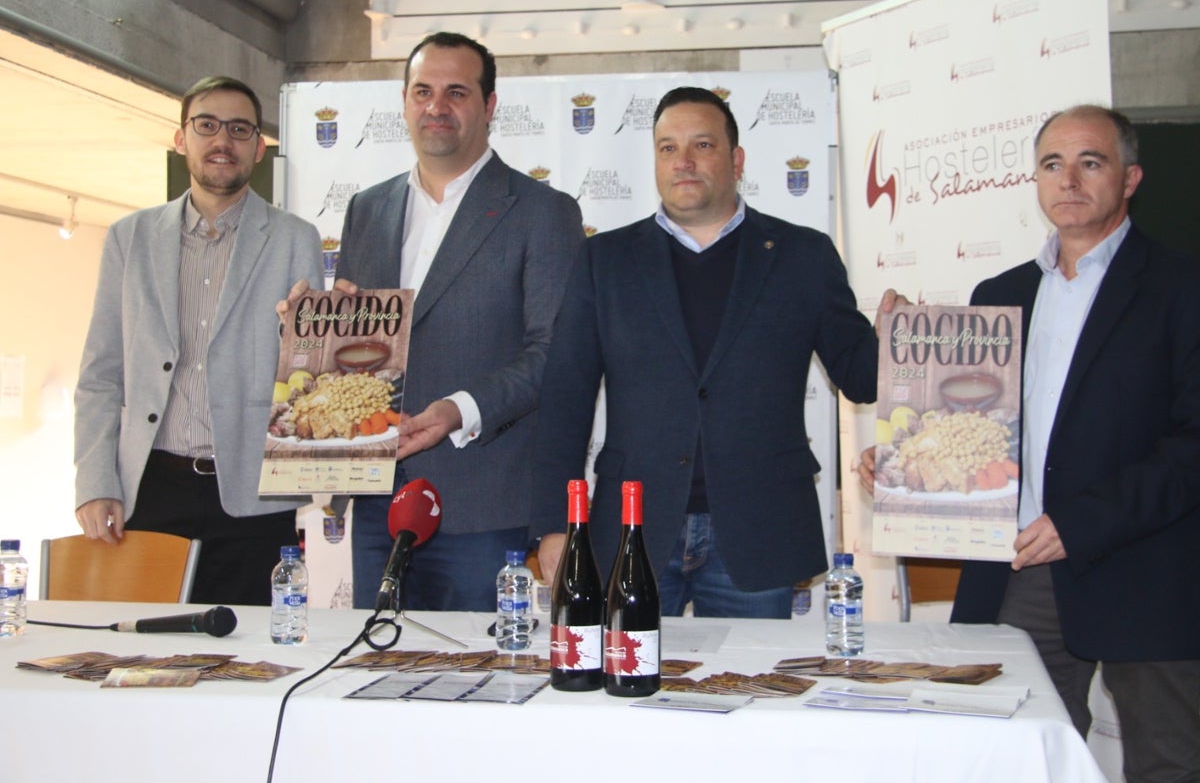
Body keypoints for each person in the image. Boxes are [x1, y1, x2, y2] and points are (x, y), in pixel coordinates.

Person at [863, 105, 1200, 781]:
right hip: (1017, 572)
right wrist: (904, 462)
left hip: (1147, 570)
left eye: (1090, 162)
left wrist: (1080, 523)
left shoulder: (1182, 288)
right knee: (1009, 760)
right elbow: (977, 434)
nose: (1068, 179)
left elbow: (1192, 445)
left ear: (1130, 178)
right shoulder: (1002, 294)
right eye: (1052, 164)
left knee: (1167, 764)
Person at [530, 86, 884, 619]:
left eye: (702, 145)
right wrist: (556, 525)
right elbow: (565, 398)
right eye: (668, 148)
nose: (684, 162)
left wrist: (904, 339)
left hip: (757, 529)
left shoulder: (803, 256)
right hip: (632, 527)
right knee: (625, 696)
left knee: (751, 693)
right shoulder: (605, 260)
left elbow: (863, 377)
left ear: (736, 160)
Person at [310, 32, 584, 611]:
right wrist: (311, 329)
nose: (436, 106)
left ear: (488, 106)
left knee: (473, 686)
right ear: (405, 102)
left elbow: (553, 353)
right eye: (423, 91)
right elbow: (361, 353)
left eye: (456, 92)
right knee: (376, 679)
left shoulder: (543, 212)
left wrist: (455, 410)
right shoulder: (367, 208)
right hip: (377, 501)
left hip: (482, 506)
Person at [74, 76, 325, 605]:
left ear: (258, 148)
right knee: (144, 661)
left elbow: (308, 374)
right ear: (180, 138)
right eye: (207, 125)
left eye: (239, 129)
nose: (222, 141)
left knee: (249, 663)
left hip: (252, 497)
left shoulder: (294, 238)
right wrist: (96, 483)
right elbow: (101, 374)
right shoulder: (130, 237)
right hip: (149, 489)